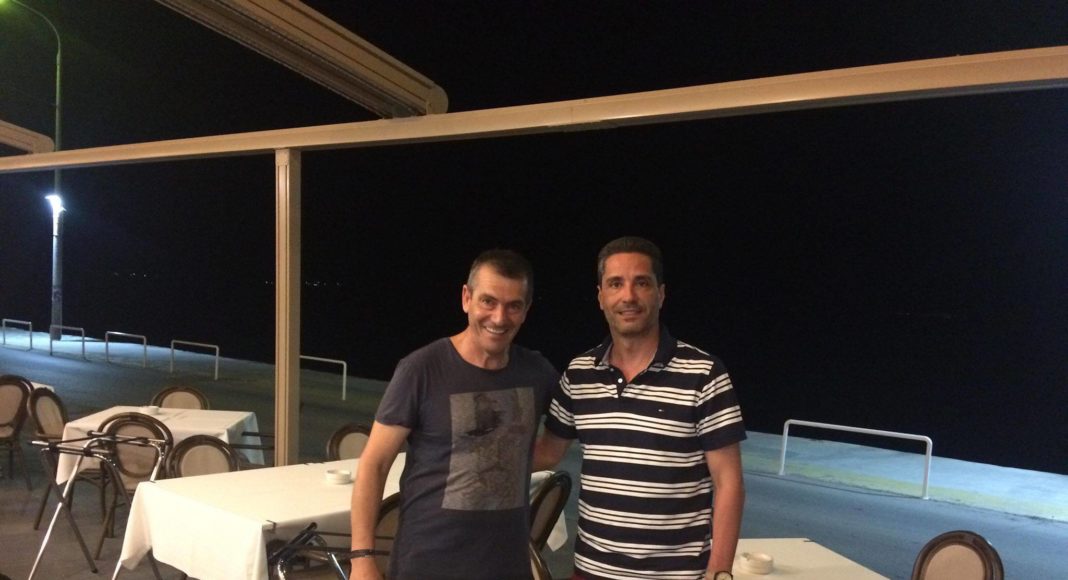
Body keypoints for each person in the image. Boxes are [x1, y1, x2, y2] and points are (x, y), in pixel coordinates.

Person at [535, 236, 746, 580]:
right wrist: (465, 460)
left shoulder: (704, 373)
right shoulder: (579, 373)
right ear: (601, 296)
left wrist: (719, 572)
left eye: (642, 283)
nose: (628, 296)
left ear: (660, 294)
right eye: (615, 284)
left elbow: (729, 481)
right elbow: (546, 453)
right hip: (592, 571)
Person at [349, 249, 558, 580]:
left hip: (506, 566)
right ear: (466, 298)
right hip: (427, 564)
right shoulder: (421, 369)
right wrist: (361, 558)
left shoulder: (537, 373)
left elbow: (552, 449)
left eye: (513, 306)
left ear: (526, 311)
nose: (499, 318)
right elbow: (374, 464)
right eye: (488, 301)